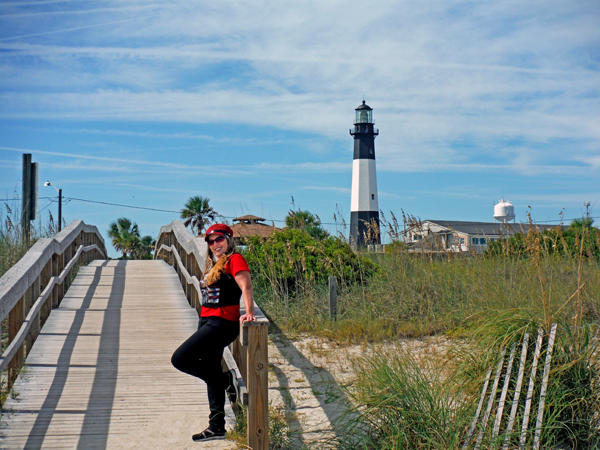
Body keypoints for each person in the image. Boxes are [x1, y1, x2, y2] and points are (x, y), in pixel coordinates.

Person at [171, 223, 255, 442]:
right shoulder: (213, 265)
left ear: (229, 239)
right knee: (210, 370)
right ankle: (216, 426)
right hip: (207, 322)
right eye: (211, 241)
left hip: (222, 324)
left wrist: (249, 312)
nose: (215, 244)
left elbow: (245, 285)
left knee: (180, 358)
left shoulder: (234, 260)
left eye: (219, 239)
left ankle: (226, 380)